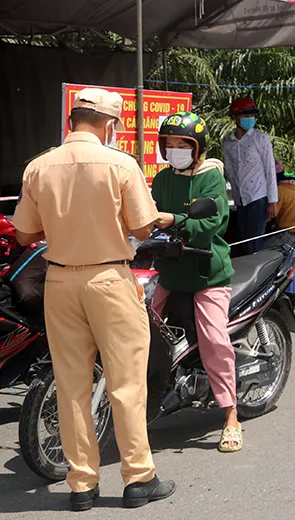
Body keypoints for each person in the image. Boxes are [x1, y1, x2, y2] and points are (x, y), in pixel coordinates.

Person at [12, 88, 175, 511]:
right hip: (109, 278)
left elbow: (24, 233)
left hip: (59, 281)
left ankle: (82, 484)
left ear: (71, 121)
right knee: (126, 383)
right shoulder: (120, 164)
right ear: (110, 125)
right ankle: (138, 478)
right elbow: (142, 229)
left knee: (71, 386)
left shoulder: (38, 167)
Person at [151, 112, 242, 453]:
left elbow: (212, 223)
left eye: (183, 144)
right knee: (139, 325)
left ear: (197, 148)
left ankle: (231, 416)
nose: (175, 149)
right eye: (170, 144)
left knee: (214, 341)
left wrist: (174, 219)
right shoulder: (162, 178)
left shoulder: (210, 177)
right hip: (169, 270)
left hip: (206, 272)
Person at [223, 97, 278, 255]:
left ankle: (259, 269)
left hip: (258, 197)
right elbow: (230, 172)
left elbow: (270, 170)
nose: (250, 119)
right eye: (246, 116)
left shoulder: (261, 139)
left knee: (255, 242)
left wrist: (272, 201)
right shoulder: (228, 143)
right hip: (241, 199)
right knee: (244, 240)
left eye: (252, 116)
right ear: (235, 118)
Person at [263, 160, 295, 249]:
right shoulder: (294, 186)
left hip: (290, 236)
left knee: (259, 250)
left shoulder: (279, 191)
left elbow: (269, 217)